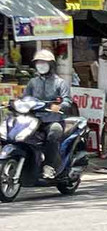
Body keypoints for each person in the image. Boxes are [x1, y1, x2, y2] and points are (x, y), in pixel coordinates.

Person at [25, 48, 72, 179]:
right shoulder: (32, 82)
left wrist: (59, 106)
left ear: (51, 65)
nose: (41, 65)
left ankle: (49, 166)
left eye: (44, 62)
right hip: (34, 120)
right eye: (38, 62)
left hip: (53, 120)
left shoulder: (60, 83)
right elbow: (25, 99)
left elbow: (67, 101)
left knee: (53, 133)